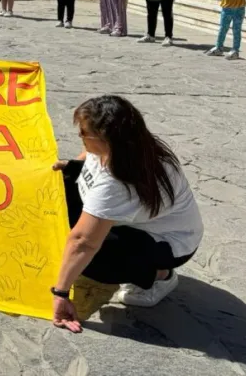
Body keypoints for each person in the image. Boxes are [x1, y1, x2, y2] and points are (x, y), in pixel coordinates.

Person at [51, 96, 202, 332]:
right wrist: (70, 167)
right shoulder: (127, 146)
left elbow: (83, 242)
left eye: (83, 132)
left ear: (105, 139)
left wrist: (60, 292)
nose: (79, 136)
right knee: (63, 185)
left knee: (92, 261)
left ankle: (160, 276)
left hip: (169, 243)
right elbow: (87, 158)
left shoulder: (119, 182)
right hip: (133, 223)